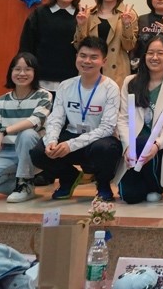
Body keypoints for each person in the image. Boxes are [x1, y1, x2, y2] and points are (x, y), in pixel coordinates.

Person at [31, 37, 122, 201]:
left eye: (94, 57)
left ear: (104, 61)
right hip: (71, 135)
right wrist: (51, 141)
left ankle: (103, 185)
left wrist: (71, 145)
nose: (87, 61)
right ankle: (69, 177)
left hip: (97, 140)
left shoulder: (111, 88)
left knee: (107, 149)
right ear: (76, 57)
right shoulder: (66, 85)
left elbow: (107, 128)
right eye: (83, 56)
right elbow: (56, 118)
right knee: (39, 152)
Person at [0, 52, 51, 202]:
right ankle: (22, 186)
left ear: (35, 72)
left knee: (27, 134)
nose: (22, 73)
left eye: (27, 69)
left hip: (34, 151)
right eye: (17, 69)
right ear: (11, 72)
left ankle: (24, 181)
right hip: (7, 152)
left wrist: (4, 131)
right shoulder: (2, 101)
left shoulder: (44, 96)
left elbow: (35, 120)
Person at [116, 34, 163, 204]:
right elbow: (123, 119)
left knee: (145, 143)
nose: (154, 57)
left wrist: (156, 145)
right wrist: (127, 146)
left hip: (158, 147)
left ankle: (155, 186)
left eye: (160, 53)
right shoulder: (130, 82)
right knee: (130, 197)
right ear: (144, 55)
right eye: (150, 53)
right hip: (133, 147)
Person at [19, 0, 82, 93]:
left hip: (72, 80)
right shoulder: (40, 13)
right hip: (41, 79)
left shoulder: (82, 15)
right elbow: (26, 45)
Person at [73, 0, 138, 82]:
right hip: (90, 69)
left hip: (117, 73)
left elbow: (129, 46)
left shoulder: (129, 14)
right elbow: (78, 46)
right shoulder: (88, 13)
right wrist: (81, 25)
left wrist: (126, 24)